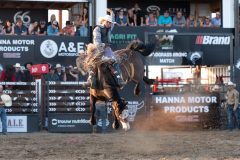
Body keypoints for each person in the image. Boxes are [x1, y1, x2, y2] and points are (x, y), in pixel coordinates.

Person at [87, 9, 123, 87]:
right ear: (104, 21)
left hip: (107, 49)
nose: (110, 24)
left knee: (114, 61)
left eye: (110, 23)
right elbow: (97, 42)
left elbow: (112, 20)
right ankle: (90, 80)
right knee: (91, 63)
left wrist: (111, 13)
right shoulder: (97, 29)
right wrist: (104, 45)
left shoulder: (109, 28)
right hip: (98, 49)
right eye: (109, 22)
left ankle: (119, 79)